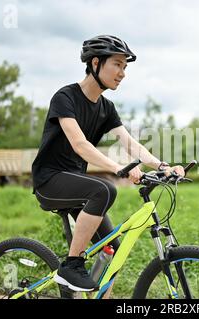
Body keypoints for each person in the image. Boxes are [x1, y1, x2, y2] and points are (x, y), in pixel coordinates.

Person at [31, 35, 184, 296]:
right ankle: (72, 264)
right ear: (95, 63)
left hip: (76, 184)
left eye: (125, 67)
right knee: (104, 189)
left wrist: (163, 165)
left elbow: (130, 143)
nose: (123, 73)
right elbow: (80, 145)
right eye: (117, 64)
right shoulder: (65, 97)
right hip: (50, 180)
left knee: (111, 247)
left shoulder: (106, 107)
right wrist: (118, 168)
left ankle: (89, 291)